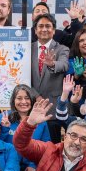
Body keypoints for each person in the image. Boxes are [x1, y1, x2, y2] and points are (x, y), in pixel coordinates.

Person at [0, 84, 50, 171]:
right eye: (19, 98)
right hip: (8, 164)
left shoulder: (40, 121)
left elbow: (46, 146)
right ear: (13, 100)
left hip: (29, 165)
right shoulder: (4, 117)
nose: (23, 102)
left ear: (32, 100)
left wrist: (33, 165)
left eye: (27, 98)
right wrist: (5, 129)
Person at [31, 13, 70, 142]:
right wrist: (35, 95)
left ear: (53, 31)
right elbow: (22, 76)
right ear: (35, 30)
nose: (44, 29)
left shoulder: (62, 49)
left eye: (48, 26)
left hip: (52, 110)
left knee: (52, 149)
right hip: (30, 107)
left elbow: (64, 65)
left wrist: (52, 64)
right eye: (40, 26)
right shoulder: (26, 49)